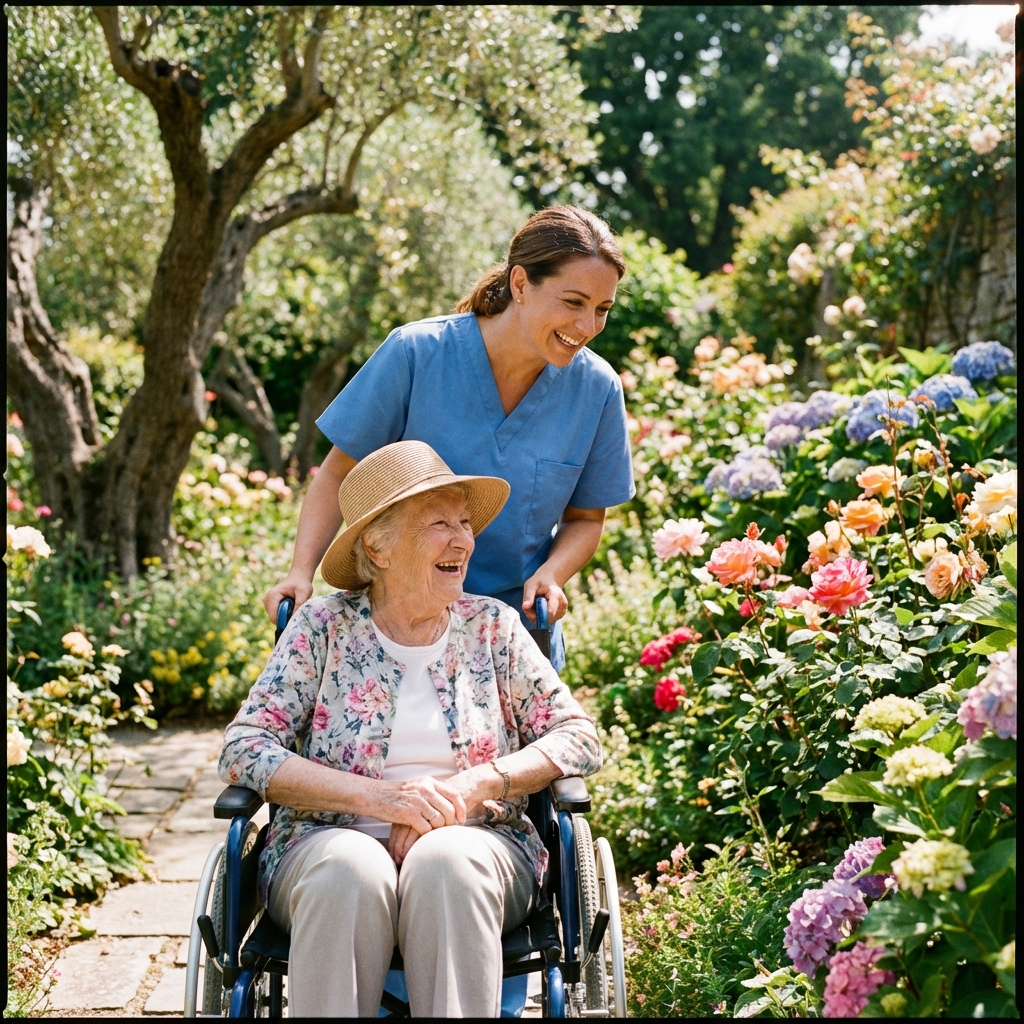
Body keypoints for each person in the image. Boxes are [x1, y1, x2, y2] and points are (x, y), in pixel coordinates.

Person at [221, 441, 602, 1017]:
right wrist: (384, 801)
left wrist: (472, 788)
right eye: (438, 524)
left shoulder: (491, 628)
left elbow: (577, 736)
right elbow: (245, 747)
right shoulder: (321, 628)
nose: (463, 540)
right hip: (323, 844)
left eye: (466, 523)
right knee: (349, 869)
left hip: (480, 843)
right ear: (377, 544)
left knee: (446, 861)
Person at [263, 205, 636, 670]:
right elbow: (340, 471)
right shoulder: (416, 354)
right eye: (574, 302)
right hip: (395, 629)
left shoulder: (596, 389)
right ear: (520, 284)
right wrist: (301, 572)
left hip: (514, 639)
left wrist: (552, 574)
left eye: (602, 309)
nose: (587, 328)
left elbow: (586, 518)